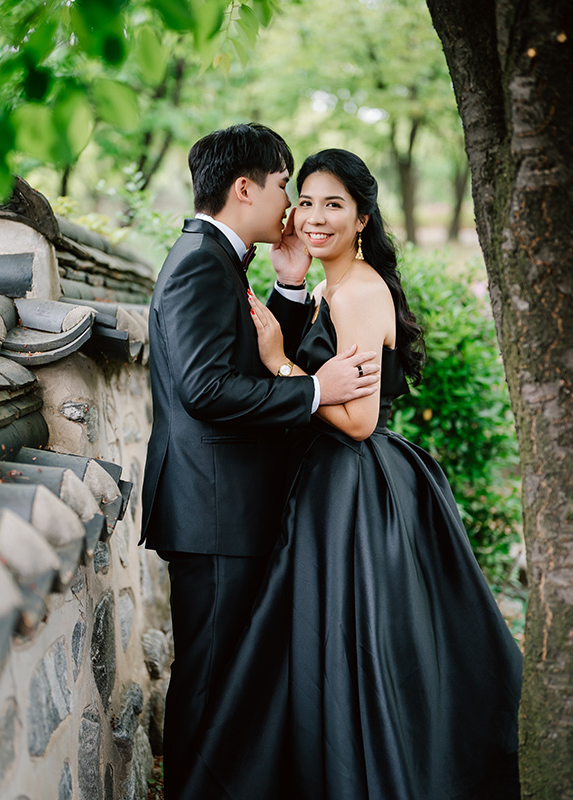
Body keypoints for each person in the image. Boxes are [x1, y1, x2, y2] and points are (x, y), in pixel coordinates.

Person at [191, 148, 522, 798]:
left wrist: (286, 364)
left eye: (333, 204)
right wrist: (291, 296)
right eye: (305, 200)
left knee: (348, 646)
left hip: (353, 490)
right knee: (310, 647)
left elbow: (359, 419)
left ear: (363, 217)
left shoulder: (361, 293)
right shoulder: (328, 287)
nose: (313, 216)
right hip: (324, 487)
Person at [139, 123, 383, 798]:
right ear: (244, 188)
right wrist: (314, 389)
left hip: (224, 506)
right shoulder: (197, 262)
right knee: (212, 678)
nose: (293, 209)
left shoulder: (218, 260)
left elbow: (238, 357)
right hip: (214, 510)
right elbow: (205, 388)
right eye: (284, 188)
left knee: (230, 678)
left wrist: (288, 291)